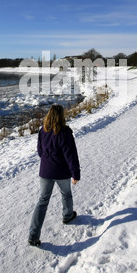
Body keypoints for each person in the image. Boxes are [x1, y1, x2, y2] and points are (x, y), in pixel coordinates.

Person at [28, 104, 80, 247]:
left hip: (45, 171)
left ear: (49, 115)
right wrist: (75, 174)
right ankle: (68, 216)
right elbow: (71, 155)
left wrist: (48, 161)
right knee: (66, 194)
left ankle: (33, 235)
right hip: (62, 172)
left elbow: (40, 152)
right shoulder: (65, 132)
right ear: (61, 116)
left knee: (42, 201)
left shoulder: (42, 131)